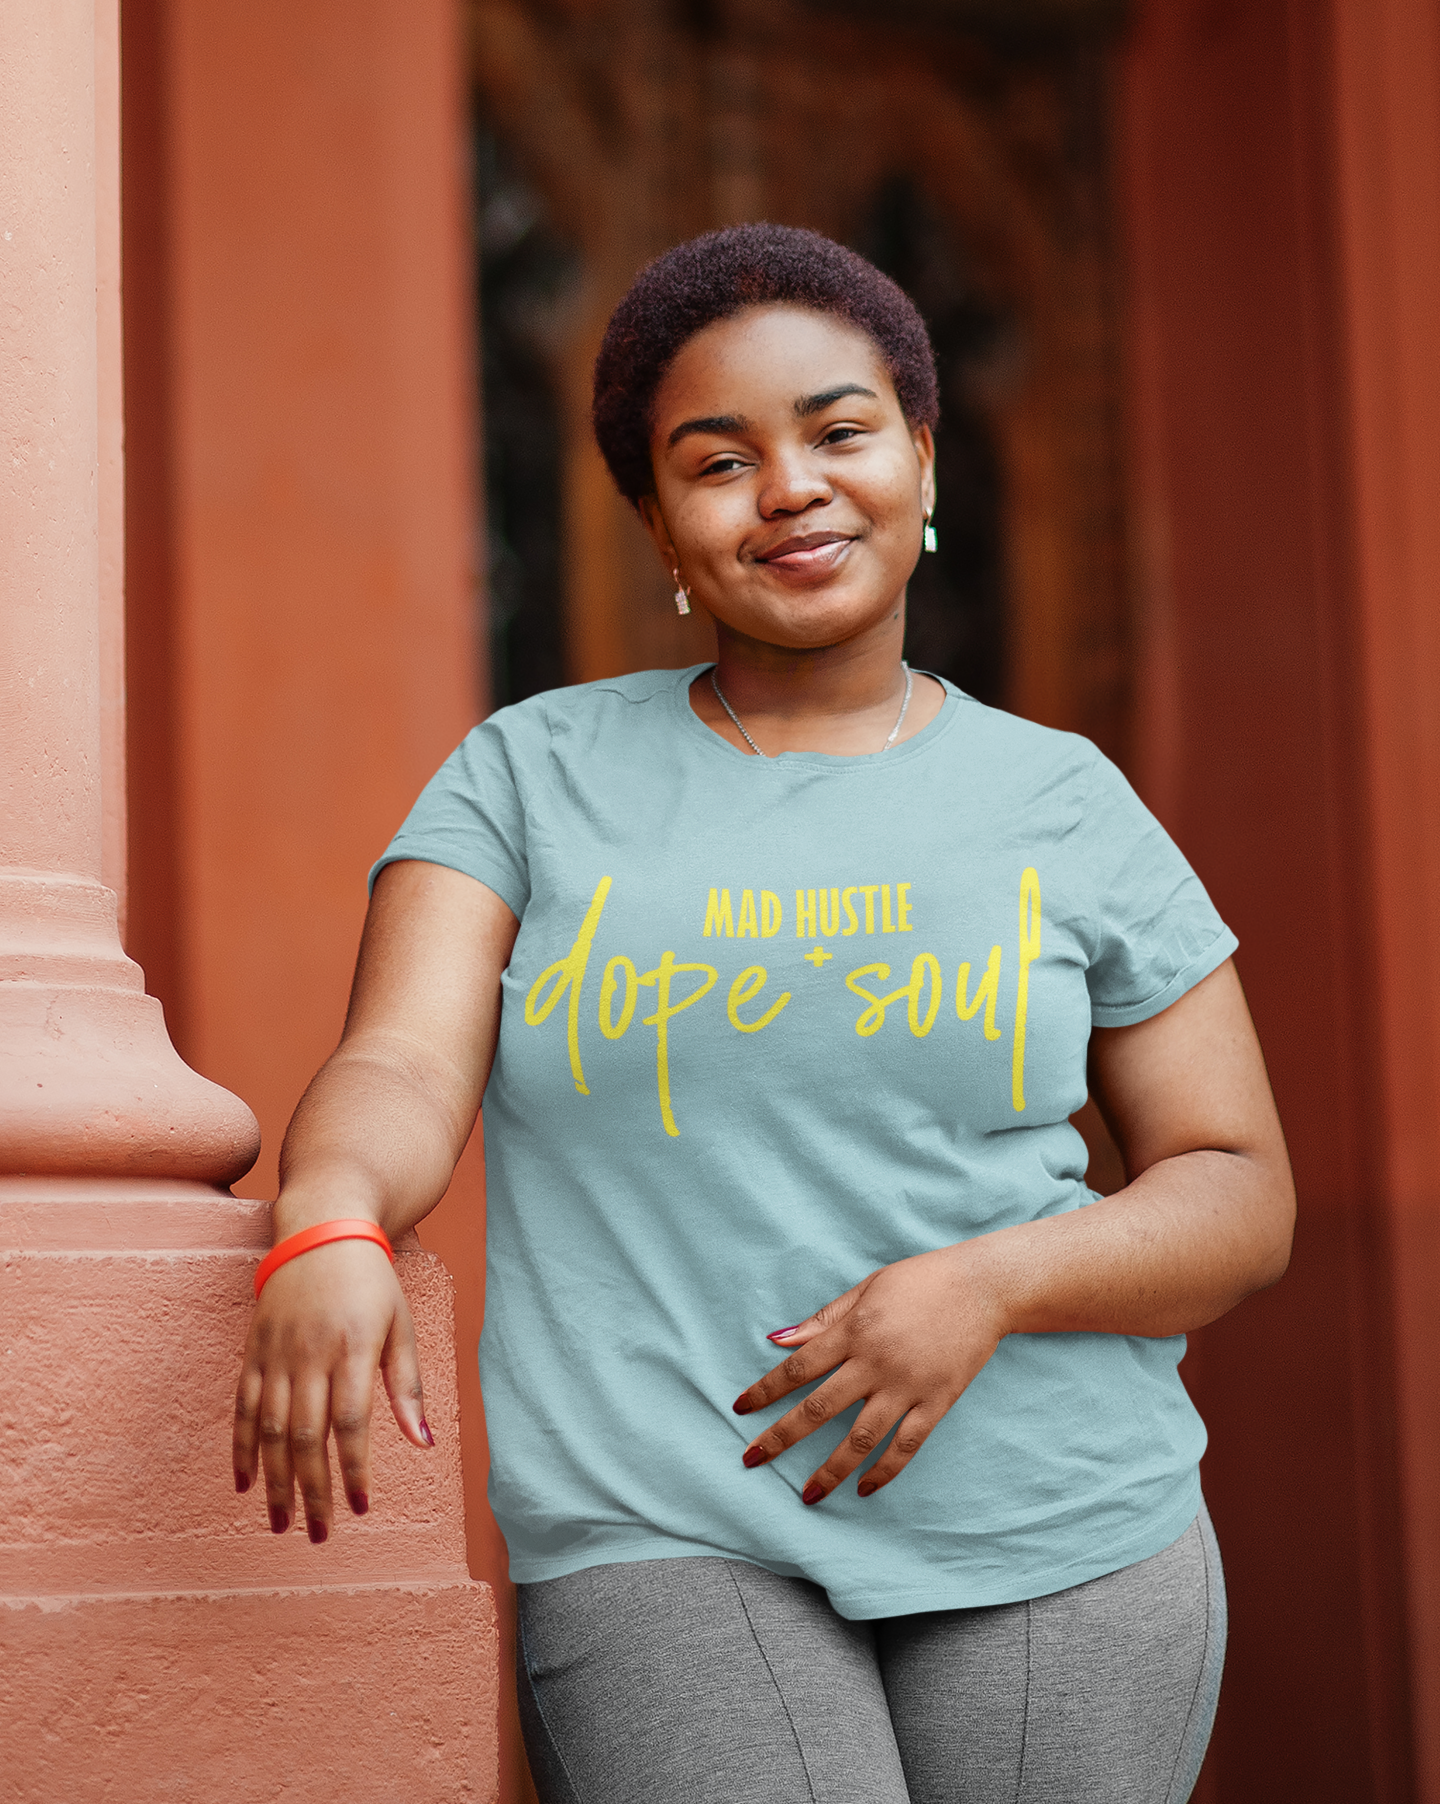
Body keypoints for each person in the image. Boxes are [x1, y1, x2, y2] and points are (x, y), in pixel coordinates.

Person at [232, 224, 1295, 1804]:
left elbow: (1238, 1187)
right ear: (658, 524)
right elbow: (398, 1056)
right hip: (666, 1517)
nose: (790, 488)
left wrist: (988, 1285)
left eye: (839, 432)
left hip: (1063, 1526)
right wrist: (328, 1219)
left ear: (920, 461)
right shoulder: (528, 777)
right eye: (718, 462)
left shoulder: (1065, 801)